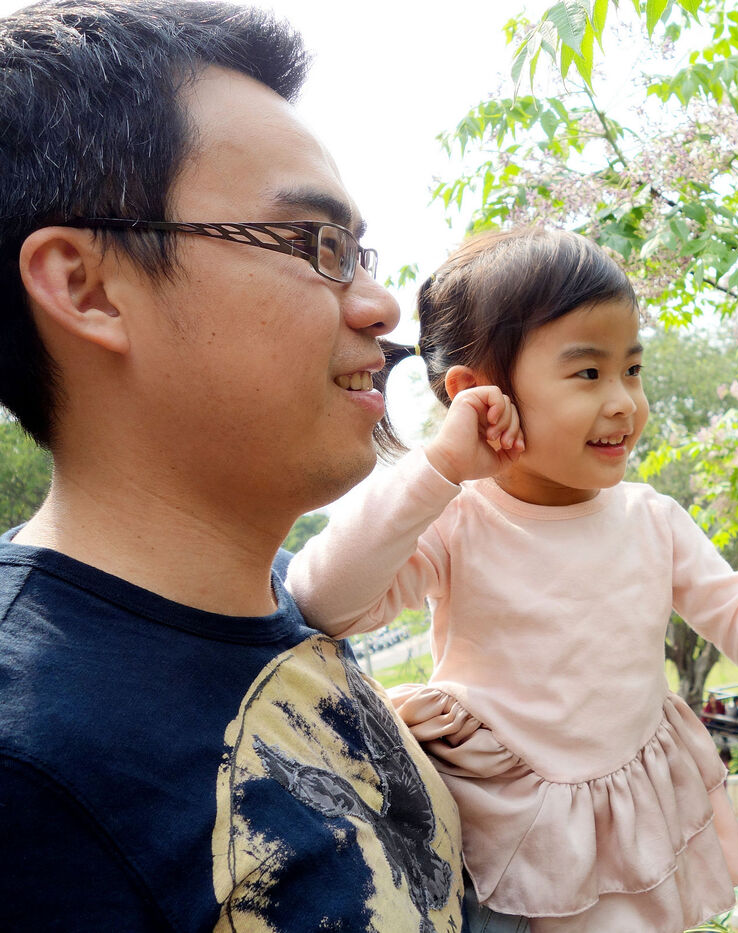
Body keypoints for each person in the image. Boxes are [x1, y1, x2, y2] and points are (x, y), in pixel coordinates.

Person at [286, 226, 738, 932]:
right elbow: (323, 596)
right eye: (588, 373)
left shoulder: (651, 520)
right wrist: (438, 467)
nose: (624, 400)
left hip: (620, 821)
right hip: (500, 827)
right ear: (479, 394)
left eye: (633, 368)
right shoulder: (458, 522)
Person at [0, 3, 466, 930]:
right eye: (317, 246)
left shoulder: (292, 598)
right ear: (87, 286)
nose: (378, 304)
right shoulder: (28, 770)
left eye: (359, 251)